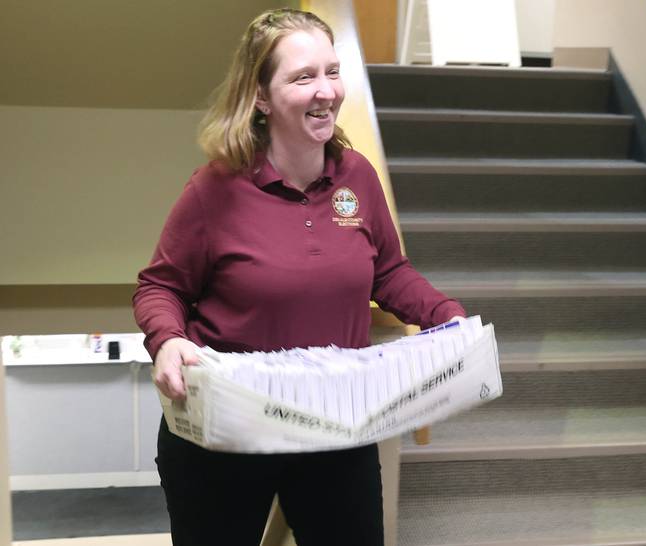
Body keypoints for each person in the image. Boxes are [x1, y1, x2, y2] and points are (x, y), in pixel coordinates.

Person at [132, 8, 465, 546]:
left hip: (336, 424)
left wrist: (444, 315)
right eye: (303, 77)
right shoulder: (215, 187)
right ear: (261, 97)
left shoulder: (357, 176)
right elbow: (161, 286)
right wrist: (167, 340)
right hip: (227, 426)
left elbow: (387, 270)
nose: (327, 91)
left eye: (332, 72)